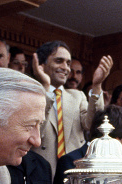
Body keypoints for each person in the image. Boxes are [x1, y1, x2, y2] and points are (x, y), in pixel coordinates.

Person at [32, 40, 111, 176]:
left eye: (68, 63)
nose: (65, 68)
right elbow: (34, 130)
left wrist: (97, 85)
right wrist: (46, 88)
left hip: (73, 173)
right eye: (59, 61)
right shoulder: (31, 94)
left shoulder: (77, 96)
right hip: (39, 173)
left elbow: (94, 125)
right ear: (42, 64)